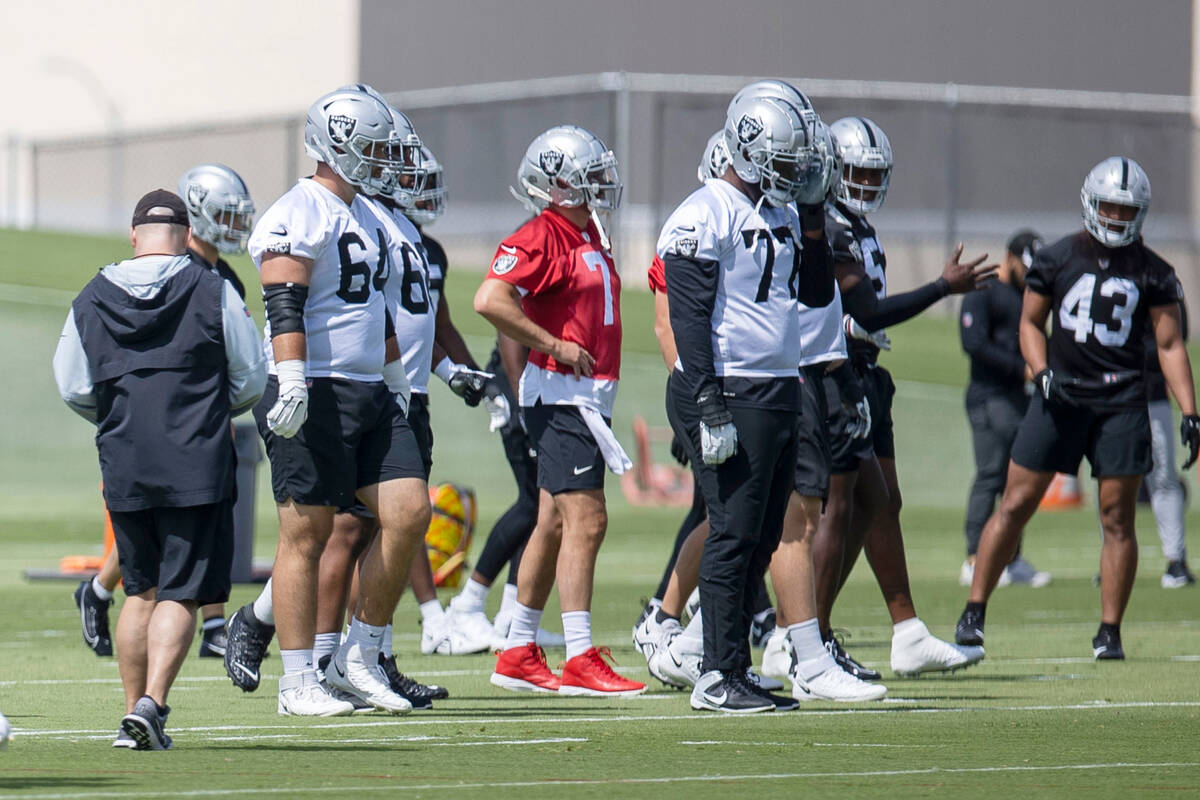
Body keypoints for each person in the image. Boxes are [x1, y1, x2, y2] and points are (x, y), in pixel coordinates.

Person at [232, 86, 430, 716]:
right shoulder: (300, 209)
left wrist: (395, 375)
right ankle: (296, 682)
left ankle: (359, 654)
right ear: (335, 145)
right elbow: (283, 300)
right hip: (311, 387)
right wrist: (290, 379)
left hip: (370, 390)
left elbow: (375, 306)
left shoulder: (369, 215)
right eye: (370, 146)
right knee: (308, 533)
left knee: (408, 511)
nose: (379, 158)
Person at [956, 156, 1199, 660]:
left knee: (1117, 517)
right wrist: (1041, 371)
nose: (1115, 216)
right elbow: (1030, 325)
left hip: (1121, 402)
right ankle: (975, 609)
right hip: (1060, 396)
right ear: (1090, 202)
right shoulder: (1056, 258)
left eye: (1125, 209)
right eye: (1108, 205)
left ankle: (1110, 630)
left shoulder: (1154, 272)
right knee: (1016, 503)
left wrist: (1190, 411)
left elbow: (1171, 343)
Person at [53, 189, 266, 749]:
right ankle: (152, 707)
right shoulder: (213, 288)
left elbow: (73, 385)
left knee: (140, 591)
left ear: (133, 235)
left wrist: (122, 415)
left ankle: (130, 715)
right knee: (182, 592)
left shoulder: (91, 295)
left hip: (125, 457)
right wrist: (212, 407)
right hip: (197, 457)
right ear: (185, 234)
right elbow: (250, 375)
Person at [660, 88, 838, 712]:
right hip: (729, 388)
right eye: (785, 160)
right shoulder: (703, 213)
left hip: (777, 388)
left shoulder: (784, 214)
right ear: (749, 149)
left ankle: (729, 664)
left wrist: (814, 218)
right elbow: (687, 317)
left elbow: (816, 295)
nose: (795, 173)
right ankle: (714, 674)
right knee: (734, 531)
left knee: (761, 534)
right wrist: (707, 403)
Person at [810, 116, 991, 679]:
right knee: (838, 506)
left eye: (873, 173)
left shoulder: (855, 225)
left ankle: (905, 631)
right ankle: (804, 637)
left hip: (868, 370)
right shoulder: (825, 226)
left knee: (882, 501)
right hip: (836, 372)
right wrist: (941, 287)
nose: (865, 183)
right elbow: (865, 311)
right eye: (855, 172)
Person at [476, 125, 645, 697]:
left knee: (550, 521)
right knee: (587, 520)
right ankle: (578, 655)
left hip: (586, 398)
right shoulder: (541, 234)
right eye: (590, 175)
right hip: (561, 397)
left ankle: (519, 649)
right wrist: (551, 346)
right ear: (559, 184)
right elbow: (490, 299)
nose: (602, 184)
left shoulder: (588, 231)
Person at [959, 230, 1051, 588]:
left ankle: (1010, 558)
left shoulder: (1025, 295)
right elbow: (974, 343)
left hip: (1019, 398)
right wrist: (1020, 367)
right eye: (1023, 268)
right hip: (988, 396)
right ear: (1010, 258)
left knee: (1019, 477)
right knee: (991, 473)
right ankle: (973, 556)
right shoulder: (984, 292)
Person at [1141, 277, 1196, 587]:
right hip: (1109, 396)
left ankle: (1176, 559)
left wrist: (1190, 412)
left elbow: (1177, 335)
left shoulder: (1159, 276)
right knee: (1110, 479)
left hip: (1151, 393)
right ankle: (1109, 560)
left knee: (1164, 477)